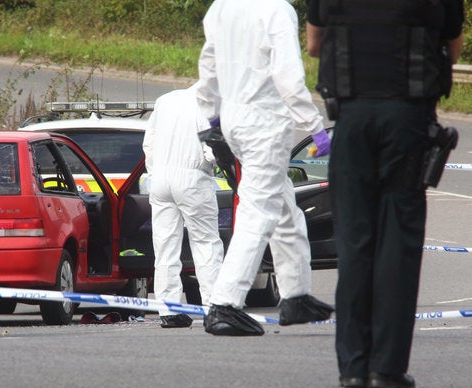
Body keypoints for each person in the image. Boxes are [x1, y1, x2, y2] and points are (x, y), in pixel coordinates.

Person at [306, 0, 464, 388]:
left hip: (352, 119)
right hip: (407, 119)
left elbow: (314, 44)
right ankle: (387, 367)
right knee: (399, 242)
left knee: (355, 241)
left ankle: (353, 366)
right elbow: (454, 47)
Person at [196, 0, 335, 337]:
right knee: (259, 211)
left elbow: (208, 66)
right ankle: (224, 304)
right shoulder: (276, 10)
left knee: (284, 209)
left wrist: (211, 116)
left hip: (233, 118)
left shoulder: (221, 8)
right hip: (265, 122)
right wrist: (315, 125)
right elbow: (287, 73)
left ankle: (295, 295)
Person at [143, 83, 225, 328]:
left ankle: (168, 309)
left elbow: (149, 142)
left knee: (165, 244)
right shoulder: (210, 104)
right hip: (192, 178)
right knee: (206, 243)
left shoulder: (166, 100)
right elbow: (212, 148)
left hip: (160, 178)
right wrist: (220, 162)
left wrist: (155, 169)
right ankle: (215, 306)